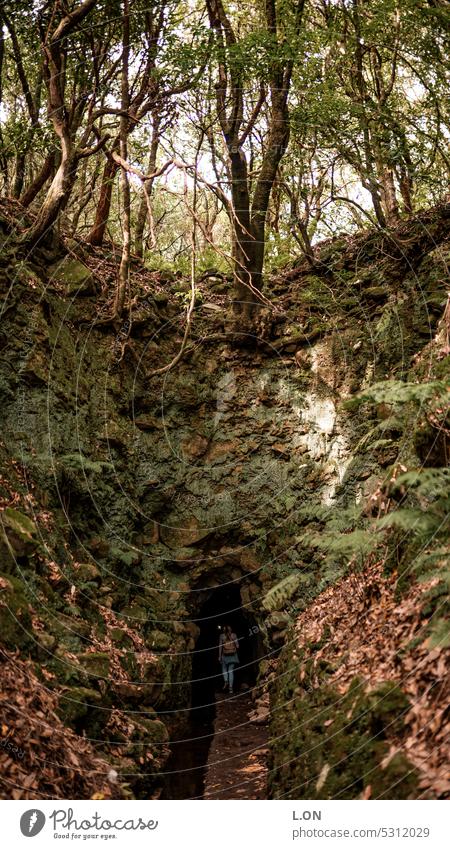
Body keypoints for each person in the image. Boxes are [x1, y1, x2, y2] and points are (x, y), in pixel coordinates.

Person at [218, 624, 239, 694]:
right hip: (233, 655)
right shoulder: (234, 635)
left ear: (224, 630)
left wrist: (219, 656)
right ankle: (231, 688)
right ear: (231, 629)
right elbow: (238, 646)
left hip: (224, 655)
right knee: (231, 671)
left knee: (224, 669)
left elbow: (220, 647)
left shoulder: (221, 636)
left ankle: (226, 680)